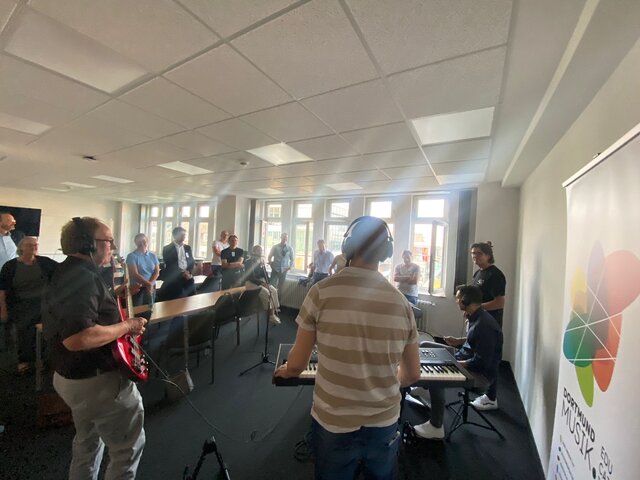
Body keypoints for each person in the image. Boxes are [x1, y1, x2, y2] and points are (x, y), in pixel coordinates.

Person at [274, 216, 421, 480]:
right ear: (386, 251)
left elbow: (296, 365)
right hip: (384, 422)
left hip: (333, 422)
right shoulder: (402, 304)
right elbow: (411, 375)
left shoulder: (320, 292)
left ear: (347, 247)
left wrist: (286, 370)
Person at [42, 217, 147, 479]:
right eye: (108, 240)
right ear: (87, 244)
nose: (113, 246)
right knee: (126, 451)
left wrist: (113, 297)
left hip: (74, 379)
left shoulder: (70, 271)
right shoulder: (82, 278)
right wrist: (128, 325)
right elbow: (78, 338)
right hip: (98, 383)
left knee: (87, 443)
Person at [412, 285, 503, 439]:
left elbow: (481, 362)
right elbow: (475, 341)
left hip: (479, 374)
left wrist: (453, 363)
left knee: (437, 376)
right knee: (426, 345)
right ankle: (425, 389)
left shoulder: (484, 325)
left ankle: (436, 426)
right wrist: (459, 341)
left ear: (466, 301)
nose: (456, 301)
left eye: (458, 298)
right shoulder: (477, 316)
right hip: (464, 356)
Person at [0, 237, 57, 373]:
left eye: (36, 244)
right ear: (21, 247)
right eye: (30, 245)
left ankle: (42, 359)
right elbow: (2, 290)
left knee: (47, 330)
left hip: (43, 303)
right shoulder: (10, 266)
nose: (34, 247)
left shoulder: (45, 262)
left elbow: (62, 270)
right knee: (25, 331)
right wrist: (3, 310)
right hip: (21, 304)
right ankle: (24, 360)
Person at [470, 241, 506, 409]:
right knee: (476, 356)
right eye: (473, 253)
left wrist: (477, 308)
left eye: (478, 253)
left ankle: (491, 398)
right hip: (477, 322)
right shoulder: (478, 273)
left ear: (488, 255)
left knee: (491, 360)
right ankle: (480, 390)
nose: (475, 257)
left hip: (490, 324)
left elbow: (499, 302)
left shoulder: (496, 275)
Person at [243, 245, 281, 325]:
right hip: (250, 283)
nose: (260, 252)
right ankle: (271, 315)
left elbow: (265, 274)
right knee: (266, 293)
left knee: (274, 290)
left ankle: (274, 311)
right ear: (254, 252)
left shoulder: (260, 262)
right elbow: (251, 277)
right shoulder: (249, 262)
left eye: (261, 251)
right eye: (258, 251)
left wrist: (268, 282)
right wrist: (262, 284)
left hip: (259, 282)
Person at [159, 226, 195, 300]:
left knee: (192, 296)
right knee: (178, 297)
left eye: (184, 235)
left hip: (187, 275)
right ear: (175, 236)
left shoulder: (187, 247)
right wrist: (182, 273)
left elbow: (191, 261)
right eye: (182, 235)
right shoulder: (167, 248)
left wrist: (188, 272)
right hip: (174, 277)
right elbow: (170, 263)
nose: (184, 236)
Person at [126, 233, 160, 307]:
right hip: (138, 288)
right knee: (137, 310)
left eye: (144, 241)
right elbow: (134, 274)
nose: (141, 243)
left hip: (151, 287)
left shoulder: (153, 256)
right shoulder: (131, 256)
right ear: (135, 243)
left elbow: (157, 272)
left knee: (150, 309)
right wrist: (148, 284)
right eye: (139, 242)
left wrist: (150, 284)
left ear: (147, 241)